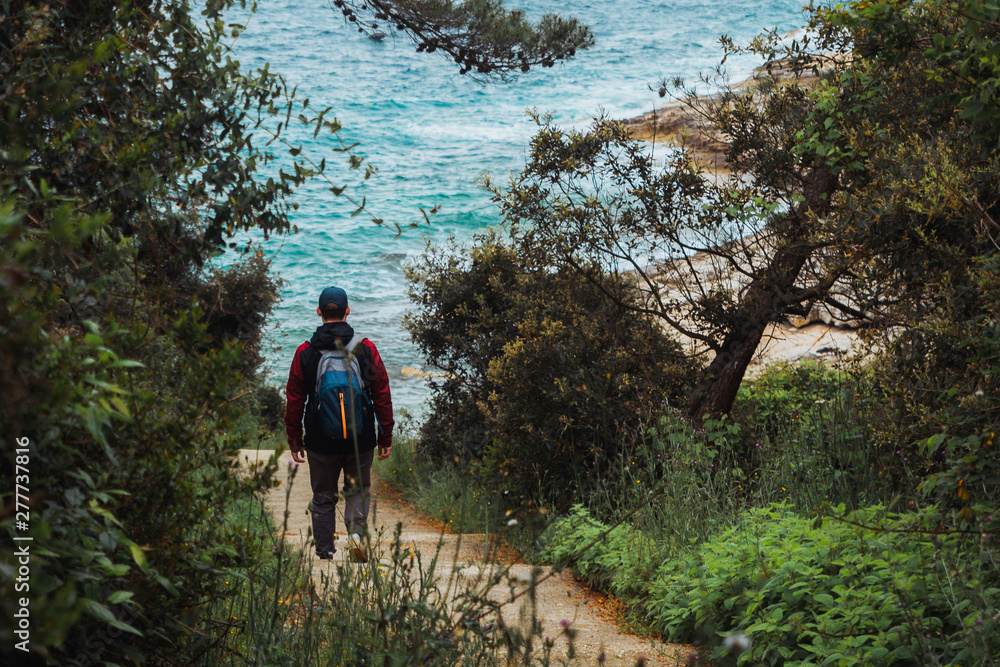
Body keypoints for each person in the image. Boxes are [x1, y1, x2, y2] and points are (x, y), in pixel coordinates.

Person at [284, 286, 394, 560]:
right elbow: (382, 393)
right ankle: (356, 537)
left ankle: (325, 552)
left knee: (323, 496)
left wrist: (295, 438)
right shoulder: (365, 348)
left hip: (321, 440)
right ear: (347, 311)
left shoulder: (305, 352)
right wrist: (385, 435)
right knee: (357, 490)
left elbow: (295, 399)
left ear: (319, 311)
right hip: (361, 437)